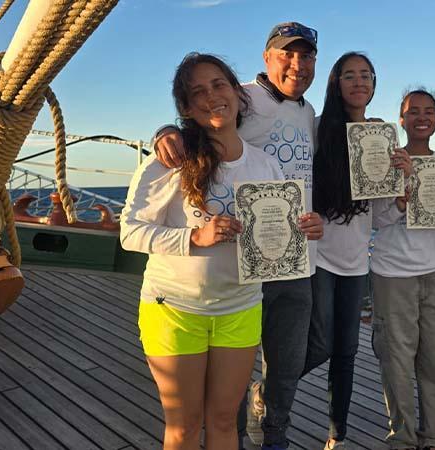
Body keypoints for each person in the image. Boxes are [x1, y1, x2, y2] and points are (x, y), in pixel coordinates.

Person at [153, 22, 324, 450]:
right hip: (227, 273)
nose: (296, 64)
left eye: (306, 56)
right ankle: (252, 434)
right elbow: (204, 111)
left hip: (287, 251)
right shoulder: (241, 94)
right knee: (214, 403)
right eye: (286, 54)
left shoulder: (307, 112)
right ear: (267, 57)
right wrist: (164, 133)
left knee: (295, 357)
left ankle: (271, 434)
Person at [121, 53, 284, 450]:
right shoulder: (169, 163)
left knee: (226, 420)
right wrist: (193, 238)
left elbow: (273, 240)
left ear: (237, 92)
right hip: (174, 309)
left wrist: (300, 231)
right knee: (184, 427)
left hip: (241, 308)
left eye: (219, 85)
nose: (212, 96)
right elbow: (130, 233)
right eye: (198, 92)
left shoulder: (265, 165)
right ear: (186, 109)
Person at [304, 51, 411, 450]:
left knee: (346, 351)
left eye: (366, 74)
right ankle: (270, 390)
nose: (359, 81)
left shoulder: (381, 137)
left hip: (355, 262)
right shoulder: (317, 129)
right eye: (349, 75)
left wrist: (400, 191)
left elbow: (380, 217)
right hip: (317, 256)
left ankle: (337, 435)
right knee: (321, 343)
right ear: (336, 83)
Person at [370, 89, 435, 450]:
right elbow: (376, 220)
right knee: (396, 361)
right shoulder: (385, 162)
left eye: (429, 111)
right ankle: (403, 437)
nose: (421, 117)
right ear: (401, 119)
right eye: (413, 112)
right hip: (392, 273)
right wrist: (400, 200)